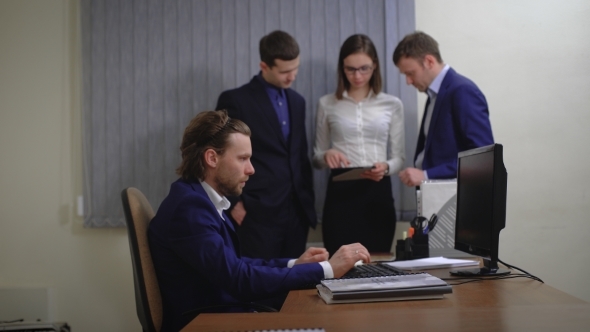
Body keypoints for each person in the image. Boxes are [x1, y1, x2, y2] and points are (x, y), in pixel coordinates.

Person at [148, 110, 370, 332]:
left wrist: (295, 264)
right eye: (243, 158)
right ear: (212, 158)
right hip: (208, 324)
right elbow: (239, 279)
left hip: (223, 317)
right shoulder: (189, 208)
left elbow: (235, 265)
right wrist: (328, 269)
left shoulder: (198, 198)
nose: (251, 169)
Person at [215, 30, 316, 260]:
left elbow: (300, 156)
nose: (292, 76)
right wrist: (233, 203)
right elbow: (220, 155)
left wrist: (307, 206)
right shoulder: (236, 100)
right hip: (255, 214)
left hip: (296, 215)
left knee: (297, 286)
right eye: (285, 71)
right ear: (264, 65)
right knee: (259, 288)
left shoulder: (298, 102)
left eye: (295, 68)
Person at [313, 34, 405, 255]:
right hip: (341, 193)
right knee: (338, 266)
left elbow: (400, 158)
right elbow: (316, 157)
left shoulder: (392, 104)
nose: (357, 75)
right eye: (350, 69)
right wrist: (326, 155)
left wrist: (386, 167)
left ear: (375, 66)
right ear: (341, 68)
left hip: (377, 190)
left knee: (377, 262)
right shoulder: (327, 103)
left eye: (364, 68)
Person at [393, 31, 494, 187]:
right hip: (435, 196)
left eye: (410, 73)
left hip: (455, 200)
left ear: (429, 61)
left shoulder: (462, 91)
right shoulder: (435, 94)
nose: (408, 81)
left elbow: (483, 158)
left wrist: (427, 175)